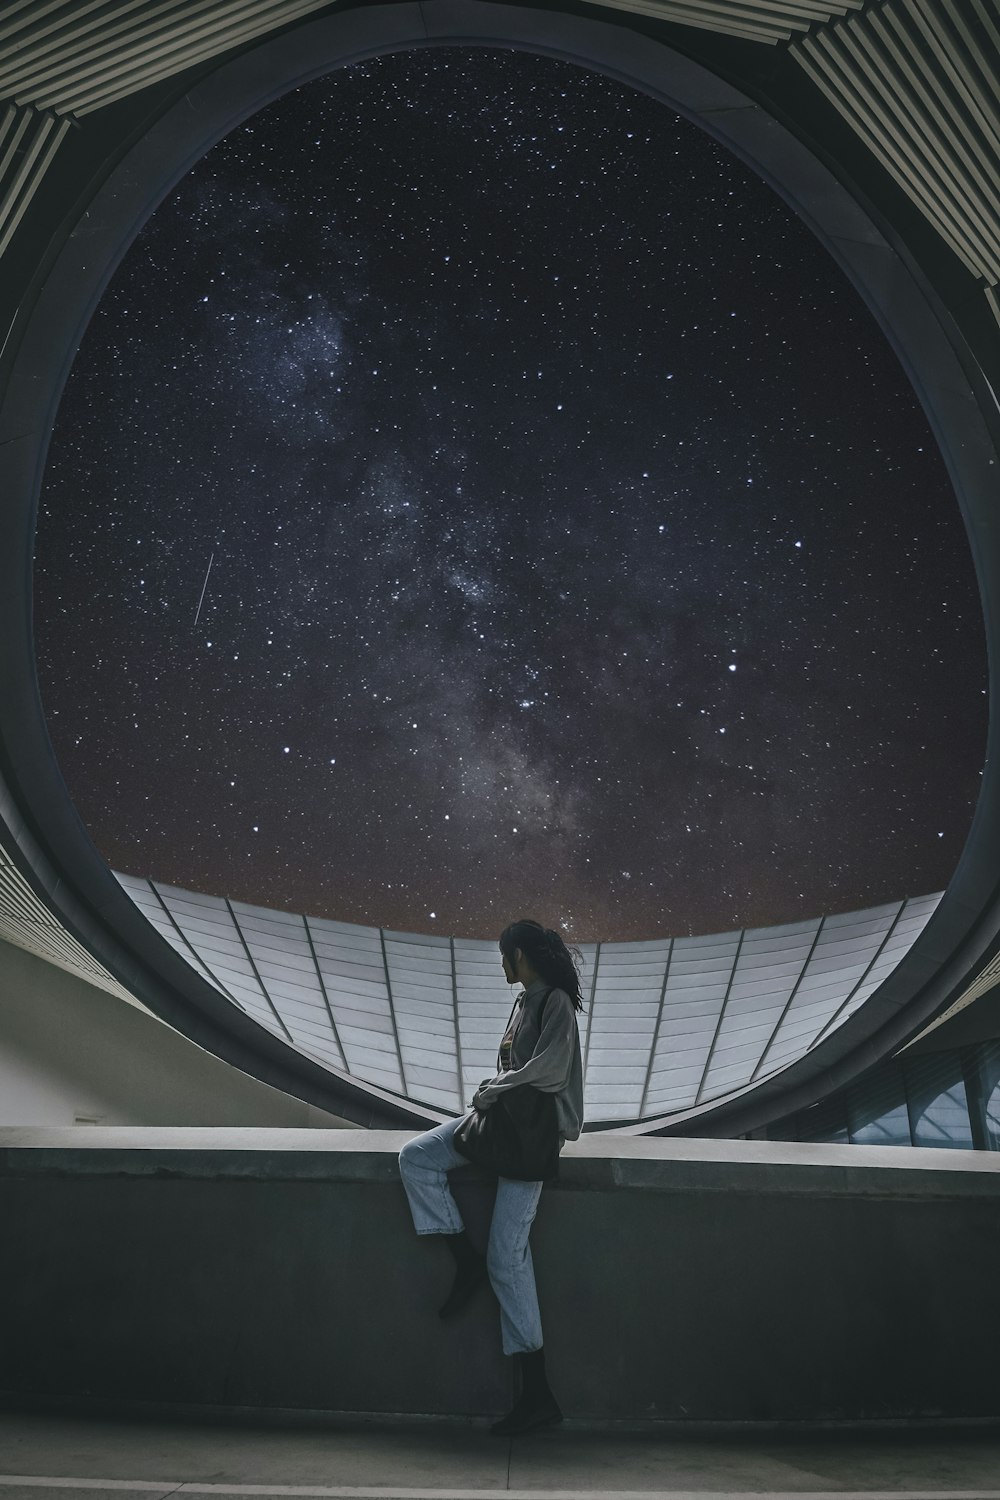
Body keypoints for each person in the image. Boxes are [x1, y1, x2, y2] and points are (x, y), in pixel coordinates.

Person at [398, 918, 585, 1436]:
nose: (502, 965)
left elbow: (550, 1069)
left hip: (527, 1144)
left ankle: (538, 1395)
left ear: (521, 955)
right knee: (417, 1158)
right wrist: (497, 1090)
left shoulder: (555, 1004)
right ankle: (465, 1260)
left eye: (506, 956)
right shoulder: (523, 1002)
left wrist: (498, 1086)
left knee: (508, 1260)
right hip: (502, 1129)